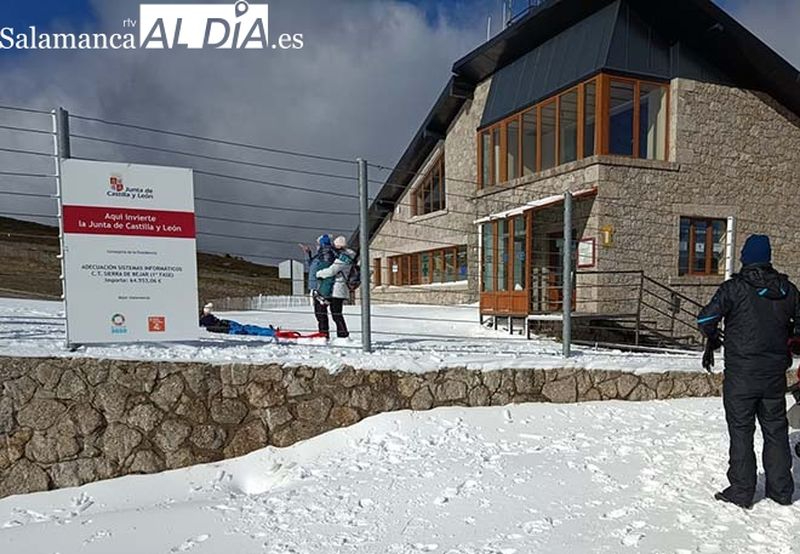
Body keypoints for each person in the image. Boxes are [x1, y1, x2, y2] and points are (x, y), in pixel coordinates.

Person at [697, 234, 799, 508]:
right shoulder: (788, 290)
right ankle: (781, 490)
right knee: (776, 431)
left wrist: (714, 337)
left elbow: (705, 318)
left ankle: (742, 491)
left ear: (746, 258)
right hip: (774, 376)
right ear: (768, 258)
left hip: (741, 376)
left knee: (741, 431)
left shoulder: (734, 288)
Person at [314, 235, 356, 339]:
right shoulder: (348, 256)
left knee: (333, 313)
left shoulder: (343, 258)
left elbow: (331, 271)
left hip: (336, 289)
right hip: (338, 289)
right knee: (336, 314)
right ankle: (341, 335)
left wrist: (318, 274)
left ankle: (334, 335)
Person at [199, 303, 276, 337]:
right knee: (250, 330)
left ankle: (271, 331)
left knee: (249, 327)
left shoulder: (207, 317)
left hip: (227, 323)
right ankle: (272, 333)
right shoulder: (203, 319)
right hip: (228, 328)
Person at [300, 234, 336, 300]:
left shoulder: (328, 257)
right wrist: (308, 253)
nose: (317, 246)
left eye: (318, 244)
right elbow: (309, 264)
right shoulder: (318, 257)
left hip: (321, 288)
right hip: (314, 287)